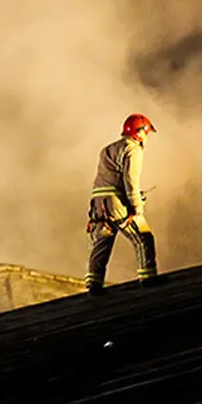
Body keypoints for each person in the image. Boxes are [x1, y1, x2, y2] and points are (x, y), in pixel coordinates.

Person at [85, 113, 161, 294]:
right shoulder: (133, 149)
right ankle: (148, 279)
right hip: (116, 203)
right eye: (147, 132)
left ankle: (94, 285)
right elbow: (130, 179)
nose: (147, 137)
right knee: (143, 238)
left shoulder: (107, 150)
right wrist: (137, 206)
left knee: (102, 242)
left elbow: (104, 181)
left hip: (98, 204)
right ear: (140, 132)